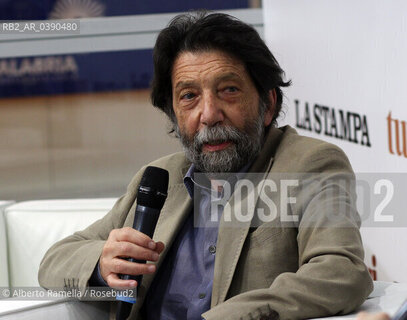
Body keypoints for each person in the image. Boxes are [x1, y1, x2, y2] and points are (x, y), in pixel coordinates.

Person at [39, 12, 373, 320]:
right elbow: (55, 261)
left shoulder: (310, 164)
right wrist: (102, 262)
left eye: (228, 90)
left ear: (268, 103)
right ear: (173, 113)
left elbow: (341, 272)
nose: (209, 114)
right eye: (189, 96)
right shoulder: (159, 178)